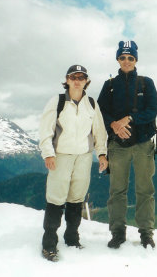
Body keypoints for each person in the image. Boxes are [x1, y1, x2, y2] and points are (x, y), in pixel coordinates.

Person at [39, 64, 108, 262]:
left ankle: (71, 237)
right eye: (73, 77)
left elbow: (99, 132)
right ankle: (49, 242)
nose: (77, 81)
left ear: (86, 81)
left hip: (84, 157)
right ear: (67, 80)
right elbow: (46, 130)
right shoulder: (58, 101)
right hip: (61, 156)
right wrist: (48, 154)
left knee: (76, 198)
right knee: (56, 197)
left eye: (81, 77)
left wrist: (102, 154)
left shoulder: (92, 104)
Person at [97, 40, 157, 249]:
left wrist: (129, 119)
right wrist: (113, 124)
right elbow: (100, 112)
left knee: (144, 190)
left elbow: (153, 109)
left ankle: (146, 234)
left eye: (130, 58)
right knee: (117, 191)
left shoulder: (146, 83)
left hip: (142, 143)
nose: (126, 61)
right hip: (117, 144)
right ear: (118, 59)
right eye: (123, 57)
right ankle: (117, 233)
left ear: (136, 60)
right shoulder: (110, 85)